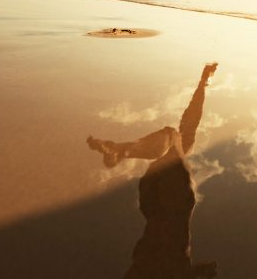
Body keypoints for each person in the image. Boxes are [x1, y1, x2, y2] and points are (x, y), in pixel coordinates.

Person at [87, 63, 218, 278]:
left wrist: (206, 272)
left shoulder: (174, 260)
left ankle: (123, 150)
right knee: (181, 138)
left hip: (171, 202)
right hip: (150, 200)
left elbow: (201, 271)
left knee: (176, 137)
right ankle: (123, 150)